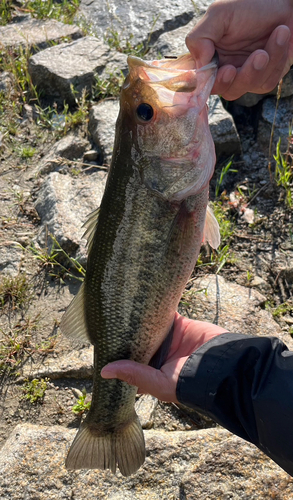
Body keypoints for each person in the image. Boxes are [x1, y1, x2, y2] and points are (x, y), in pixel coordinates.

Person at [101, 0, 293, 477]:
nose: (149, 103)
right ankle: (110, 417)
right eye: (146, 111)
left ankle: (109, 411)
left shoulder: (173, 190)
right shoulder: (173, 192)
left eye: (143, 111)